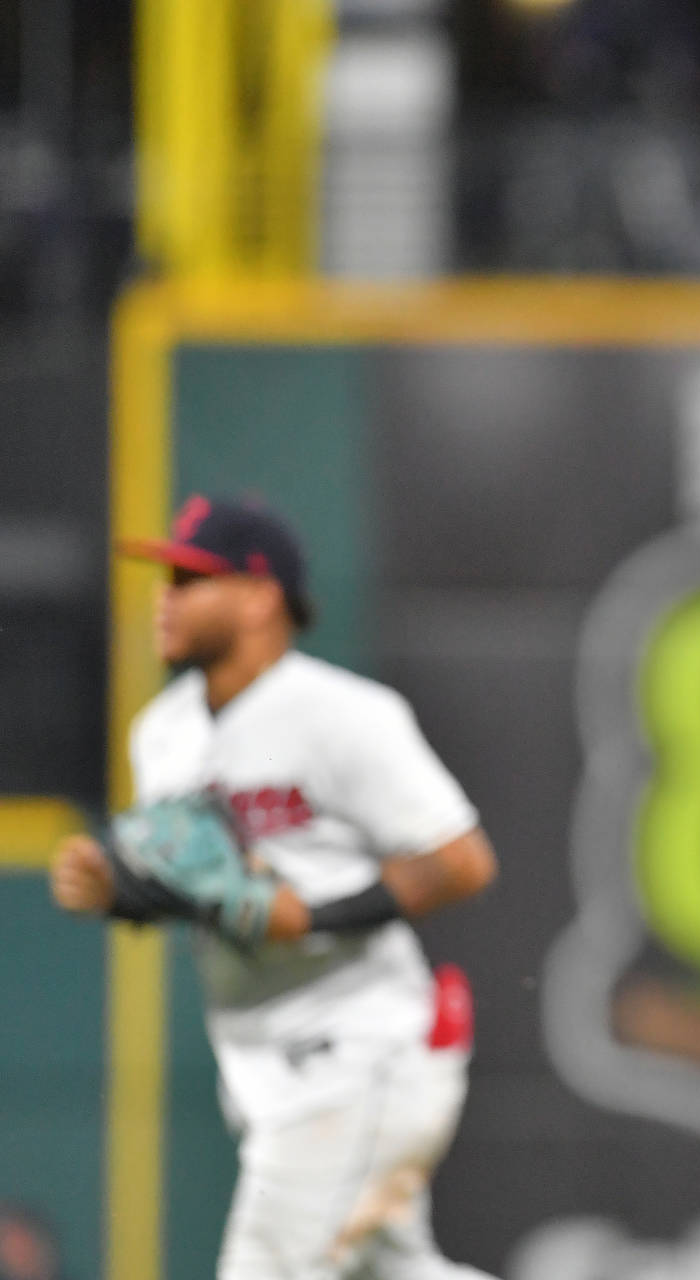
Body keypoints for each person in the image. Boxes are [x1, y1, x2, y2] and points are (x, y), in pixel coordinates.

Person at [48, 496, 499, 1280]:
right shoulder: (163, 731)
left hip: (362, 1045)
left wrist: (314, 916)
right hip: (262, 1059)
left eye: (191, 578)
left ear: (260, 595)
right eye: (166, 577)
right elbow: (213, 892)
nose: (166, 596)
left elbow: (461, 860)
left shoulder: (342, 714)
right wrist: (121, 892)